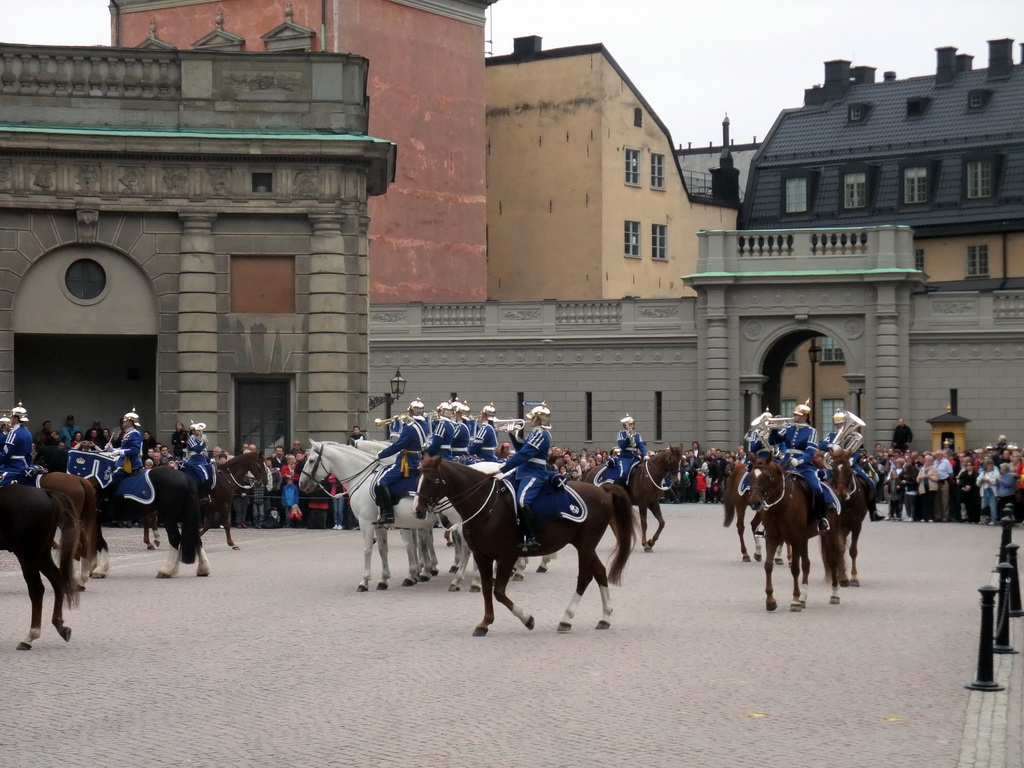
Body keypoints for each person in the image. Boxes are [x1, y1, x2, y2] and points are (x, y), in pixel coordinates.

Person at [768, 401, 831, 533]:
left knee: (816, 487)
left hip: (804, 466)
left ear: (805, 416)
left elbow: (810, 452)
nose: (794, 417)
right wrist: (773, 429)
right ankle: (766, 518)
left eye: (797, 415)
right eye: (794, 414)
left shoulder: (811, 431)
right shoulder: (789, 428)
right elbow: (773, 441)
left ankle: (821, 519)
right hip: (785, 462)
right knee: (770, 482)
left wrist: (799, 461)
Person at [497, 403, 552, 551]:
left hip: (534, 472)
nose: (530, 420)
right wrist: (512, 433)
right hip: (523, 471)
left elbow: (525, 454)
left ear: (539, 420)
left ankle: (533, 536)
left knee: (522, 501)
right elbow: (522, 448)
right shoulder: (535, 432)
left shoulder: (541, 434)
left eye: (532, 418)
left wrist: (503, 468)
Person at [373, 398, 430, 526]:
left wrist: (381, 454)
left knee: (381, 482)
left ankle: (387, 514)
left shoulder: (409, 428)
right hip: (418, 459)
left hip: (407, 462)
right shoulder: (425, 425)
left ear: (410, 412)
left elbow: (398, 445)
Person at [605, 414, 648, 488]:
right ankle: (619, 489)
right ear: (625, 425)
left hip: (635, 457)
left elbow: (641, 446)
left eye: (632, 424)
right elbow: (622, 446)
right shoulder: (621, 434)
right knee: (624, 473)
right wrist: (628, 438)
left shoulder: (637, 435)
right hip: (625, 457)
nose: (631, 426)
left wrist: (645, 454)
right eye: (629, 424)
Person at [108, 408, 144, 487]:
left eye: (125, 420)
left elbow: (135, 451)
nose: (123, 422)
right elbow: (124, 448)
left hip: (129, 464)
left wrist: (119, 452)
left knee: (111, 479)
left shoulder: (135, 433)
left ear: (131, 422)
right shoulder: (128, 433)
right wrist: (112, 449)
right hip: (123, 461)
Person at [0, 404, 34, 487]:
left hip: (13, 467)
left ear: (15, 418)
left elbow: (6, 454)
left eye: (11, 417)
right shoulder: (28, 433)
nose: (10, 418)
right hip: (24, 466)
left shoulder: (14, 433)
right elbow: (29, 454)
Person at [181, 421, 215, 498]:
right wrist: (203, 442)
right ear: (193, 431)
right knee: (205, 477)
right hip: (195, 462)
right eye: (197, 430)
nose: (199, 432)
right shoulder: (191, 439)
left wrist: (209, 459)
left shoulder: (198, 440)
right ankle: (201, 495)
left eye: (200, 431)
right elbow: (197, 450)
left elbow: (202, 453)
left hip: (201, 460)